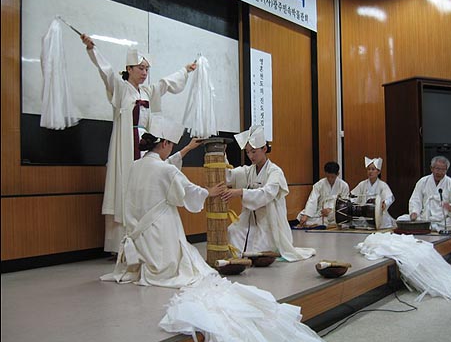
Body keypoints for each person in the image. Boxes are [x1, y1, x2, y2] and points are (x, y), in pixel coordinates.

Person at [81, 34, 197, 254]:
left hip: (143, 147)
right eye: (140, 68)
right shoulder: (120, 87)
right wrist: (92, 49)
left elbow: (166, 84)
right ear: (129, 68)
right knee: (124, 186)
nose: (144, 73)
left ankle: (142, 239)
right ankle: (120, 244)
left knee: (143, 188)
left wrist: (185, 70)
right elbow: (105, 71)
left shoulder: (148, 91)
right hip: (126, 147)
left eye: (146, 69)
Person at [100, 123, 225, 288]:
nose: (171, 150)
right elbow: (186, 189)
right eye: (171, 145)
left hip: (137, 230)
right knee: (190, 263)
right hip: (160, 229)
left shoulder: (134, 166)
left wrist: (187, 148)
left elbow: (164, 166)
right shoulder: (165, 169)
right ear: (165, 143)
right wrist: (208, 192)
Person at [220, 126, 315, 262]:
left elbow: (267, 193)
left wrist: (240, 192)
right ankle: (241, 257)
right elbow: (228, 175)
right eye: (247, 152)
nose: (250, 156)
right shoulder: (249, 170)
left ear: (264, 149)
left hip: (269, 221)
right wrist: (222, 155)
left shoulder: (275, 171)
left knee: (259, 249)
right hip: (250, 218)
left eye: (254, 151)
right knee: (232, 231)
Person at [397, 156, 451, 232]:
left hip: (443, 219)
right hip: (424, 218)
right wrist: (414, 212)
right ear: (431, 168)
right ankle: (429, 227)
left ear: (446, 170)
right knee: (400, 219)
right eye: (437, 169)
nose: (440, 172)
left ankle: (429, 227)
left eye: (443, 170)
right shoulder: (423, 181)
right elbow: (415, 199)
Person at [296, 161, 350, 227]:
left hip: (335, 212)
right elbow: (312, 200)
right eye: (328, 176)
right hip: (320, 211)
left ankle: (324, 223)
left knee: (343, 218)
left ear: (337, 174)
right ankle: (325, 223)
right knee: (301, 215)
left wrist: (331, 210)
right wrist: (306, 215)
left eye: (332, 177)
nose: (330, 179)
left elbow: (345, 204)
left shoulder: (344, 185)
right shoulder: (319, 184)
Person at [350, 157, 395, 229]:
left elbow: (389, 197)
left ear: (378, 172)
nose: (370, 171)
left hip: (378, 214)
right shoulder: (362, 184)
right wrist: (351, 203)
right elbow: (353, 196)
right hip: (364, 214)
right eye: (368, 169)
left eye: (373, 169)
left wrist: (384, 203)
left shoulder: (382, 185)